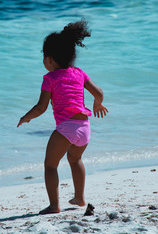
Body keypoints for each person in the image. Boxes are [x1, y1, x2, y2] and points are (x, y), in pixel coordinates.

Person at [17, 20, 108, 215]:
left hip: (67, 128)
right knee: (75, 159)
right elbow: (99, 92)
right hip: (85, 127)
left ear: (49, 59)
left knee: (50, 165)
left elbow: (41, 107)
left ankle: (54, 205)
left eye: (44, 57)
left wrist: (26, 117)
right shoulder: (79, 73)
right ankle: (80, 198)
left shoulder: (49, 78)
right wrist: (97, 104)